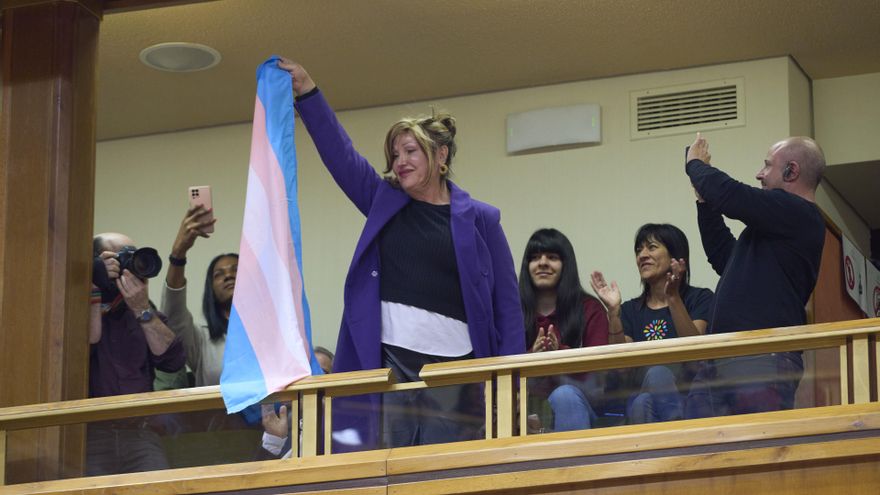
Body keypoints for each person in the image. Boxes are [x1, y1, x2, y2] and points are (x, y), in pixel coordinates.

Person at [278, 58, 525, 450]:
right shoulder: (383, 201)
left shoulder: (482, 220)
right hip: (391, 363)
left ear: (441, 156)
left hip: (456, 368)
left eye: (410, 151)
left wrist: (514, 381)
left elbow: (507, 308)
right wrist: (308, 92)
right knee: (389, 470)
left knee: (442, 471)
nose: (399, 162)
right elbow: (340, 156)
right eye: (394, 155)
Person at [683, 134, 826, 418]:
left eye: (767, 166)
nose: (759, 174)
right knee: (699, 454)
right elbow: (724, 256)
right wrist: (704, 202)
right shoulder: (775, 227)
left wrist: (694, 165)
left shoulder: (800, 214)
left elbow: (732, 195)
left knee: (755, 450)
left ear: (792, 171)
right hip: (723, 358)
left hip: (762, 356)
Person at [591, 224, 713, 423]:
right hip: (640, 398)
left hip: (690, 400)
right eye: (639, 250)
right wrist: (613, 313)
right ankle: (678, 434)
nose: (642, 255)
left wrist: (673, 297)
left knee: (647, 393)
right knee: (645, 394)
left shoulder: (700, 298)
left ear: (675, 256)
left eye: (652, 247)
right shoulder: (630, 310)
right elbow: (621, 367)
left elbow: (695, 354)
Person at [88, 233, 185, 475]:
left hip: (140, 432)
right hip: (88, 433)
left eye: (133, 254)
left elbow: (173, 361)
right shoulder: (72, 307)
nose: (129, 264)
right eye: (120, 257)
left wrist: (141, 309)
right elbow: (83, 343)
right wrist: (91, 284)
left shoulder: (144, 311)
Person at [519, 228, 609, 432]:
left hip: (582, 411)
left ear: (565, 265)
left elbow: (599, 381)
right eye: (534, 257)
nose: (542, 262)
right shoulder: (512, 312)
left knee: (564, 395)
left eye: (552, 257)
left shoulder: (589, 309)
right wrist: (532, 357)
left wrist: (560, 353)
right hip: (523, 409)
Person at [161, 204, 236, 388]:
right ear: (211, 290)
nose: (228, 275)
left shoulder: (271, 331)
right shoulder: (202, 340)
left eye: (237, 270)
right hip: (220, 417)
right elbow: (173, 314)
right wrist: (178, 254)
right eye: (219, 274)